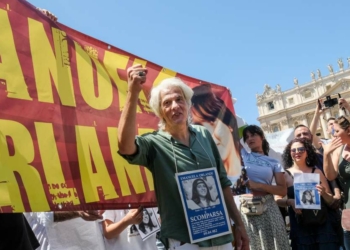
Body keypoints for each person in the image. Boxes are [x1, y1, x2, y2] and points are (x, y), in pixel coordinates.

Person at [117, 64, 249, 250]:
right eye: (167, 103)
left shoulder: (204, 135)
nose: (175, 106)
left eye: (179, 99)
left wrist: (239, 225)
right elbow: (125, 146)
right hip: (184, 241)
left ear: (188, 104)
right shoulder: (153, 143)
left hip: (220, 236)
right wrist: (133, 92)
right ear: (160, 112)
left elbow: (222, 182)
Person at [277, 138, 339, 249]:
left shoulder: (317, 171)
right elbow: (276, 199)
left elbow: (330, 201)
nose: (297, 152)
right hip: (300, 226)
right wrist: (290, 201)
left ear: (307, 152)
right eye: (293, 150)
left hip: (322, 224)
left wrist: (324, 193)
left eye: (301, 149)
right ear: (289, 153)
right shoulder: (285, 175)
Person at [240, 125, 289, 250]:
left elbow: (282, 190)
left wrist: (259, 185)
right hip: (248, 208)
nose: (250, 138)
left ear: (262, 137)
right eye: (246, 137)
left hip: (269, 208)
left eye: (253, 135)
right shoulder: (243, 155)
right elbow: (228, 133)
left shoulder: (274, 162)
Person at [191, 83, 241, 177]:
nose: (210, 136)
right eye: (199, 127)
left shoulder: (252, 164)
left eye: (212, 121)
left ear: (229, 124)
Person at [323, 114, 350, 249]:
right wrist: (327, 154)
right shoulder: (339, 149)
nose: (335, 135)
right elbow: (331, 175)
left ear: (348, 130)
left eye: (337, 131)